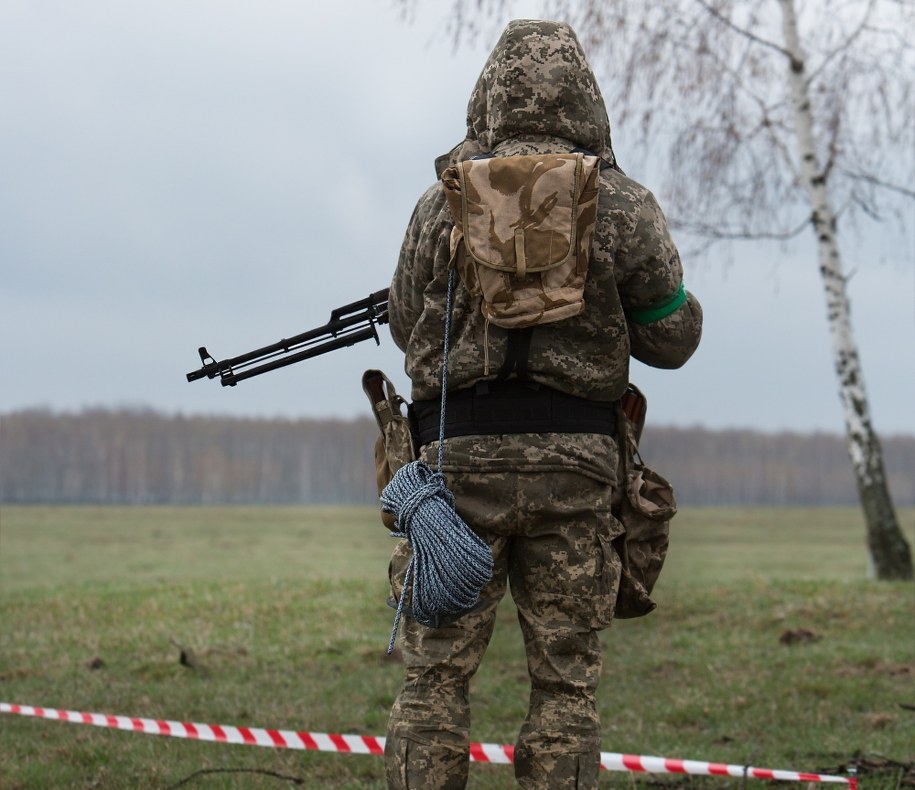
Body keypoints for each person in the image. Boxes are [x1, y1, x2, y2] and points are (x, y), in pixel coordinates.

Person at [384, 19, 703, 790]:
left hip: (455, 479)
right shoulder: (622, 206)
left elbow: (402, 325)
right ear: (586, 100)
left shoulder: (440, 204)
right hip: (575, 474)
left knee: (431, 684)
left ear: (488, 98)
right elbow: (672, 340)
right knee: (565, 689)